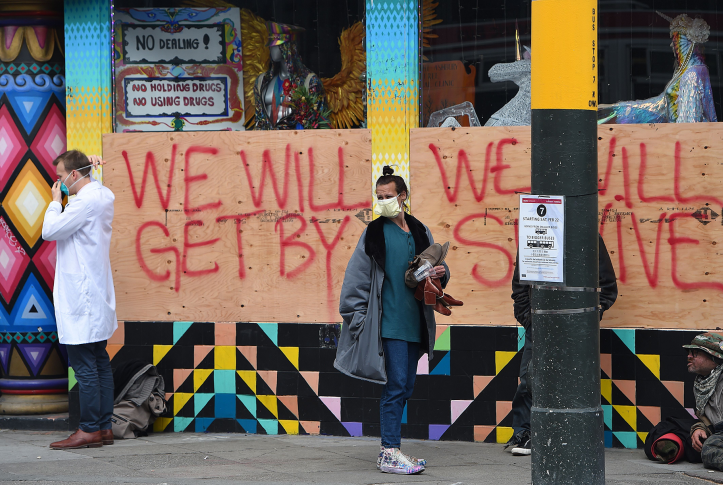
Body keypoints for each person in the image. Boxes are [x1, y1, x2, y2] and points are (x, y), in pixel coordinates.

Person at [334, 166, 449, 474]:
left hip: (416, 322)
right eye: (379, 196)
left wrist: (442, 274)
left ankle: (393, 449)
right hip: (389, 324)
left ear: (403, 196)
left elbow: (436, 268)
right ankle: (389, 451)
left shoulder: (420, 229)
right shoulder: (373, 233)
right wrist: (360, 322)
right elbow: (354, 281)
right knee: (395, 384)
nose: (382, 202)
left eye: (388, 196)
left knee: (407, 385)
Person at [506, 234, 618, 455]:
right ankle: (524, 432)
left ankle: (569, 435)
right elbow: (520, 286)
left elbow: (607, 287)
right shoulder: (534, 232)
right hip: (539, 323)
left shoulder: (587, 235)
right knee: (529, 377)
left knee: (575, 378)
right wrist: (530, 320)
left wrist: (589, 318)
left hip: (576, 326)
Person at [43, 151, 117, 450]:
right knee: (99, 362)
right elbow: (91, 186)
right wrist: (91, 169)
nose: (58, 182)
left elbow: (50, 231)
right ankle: (104, 428)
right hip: (95, 291)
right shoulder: (102, 195)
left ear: (74, 175)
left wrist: (54, 202)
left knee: (85, 365)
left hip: (82, 296)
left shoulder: (83, 203)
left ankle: (88, 430)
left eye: (61, 176)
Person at [644, 332, 723, 469]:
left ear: (714, 357)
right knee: (693, 442)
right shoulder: (701, 383)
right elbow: (709, 419)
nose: (689, 356)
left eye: (695, 353)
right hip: (718, 432)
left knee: (710, 449)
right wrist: (699, 428)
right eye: (689, 352)